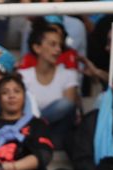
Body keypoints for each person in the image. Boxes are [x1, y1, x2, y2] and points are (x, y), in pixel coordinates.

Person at [18, 19, 80, 149]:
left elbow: (67, 106)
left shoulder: (68, 74)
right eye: (52, 44)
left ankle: (36, 127)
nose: (58, 50)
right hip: (33, 133)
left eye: (60, 45)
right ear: (37, 48)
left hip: (56, 133)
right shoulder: (23, 75)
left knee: (66, 105)